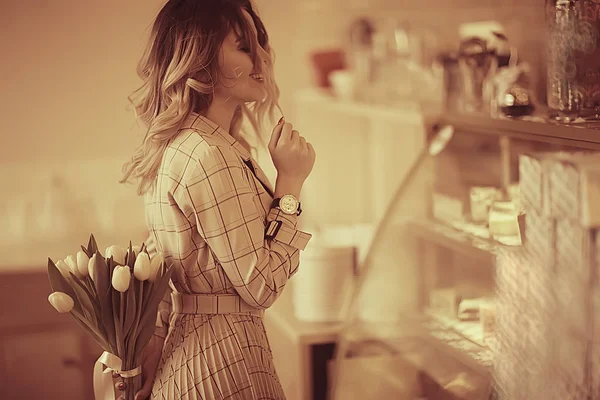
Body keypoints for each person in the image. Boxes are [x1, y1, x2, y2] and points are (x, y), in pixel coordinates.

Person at [119, 0, 316, 399]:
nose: (262, 57)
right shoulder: (209, 155)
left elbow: (155, 273)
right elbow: (261, 285)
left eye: (260, 42)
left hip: (189, 360)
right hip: (223, 364)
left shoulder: (182, 146)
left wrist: (150, 357)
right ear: (200, 59)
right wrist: (291, 185)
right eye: (244, 46)